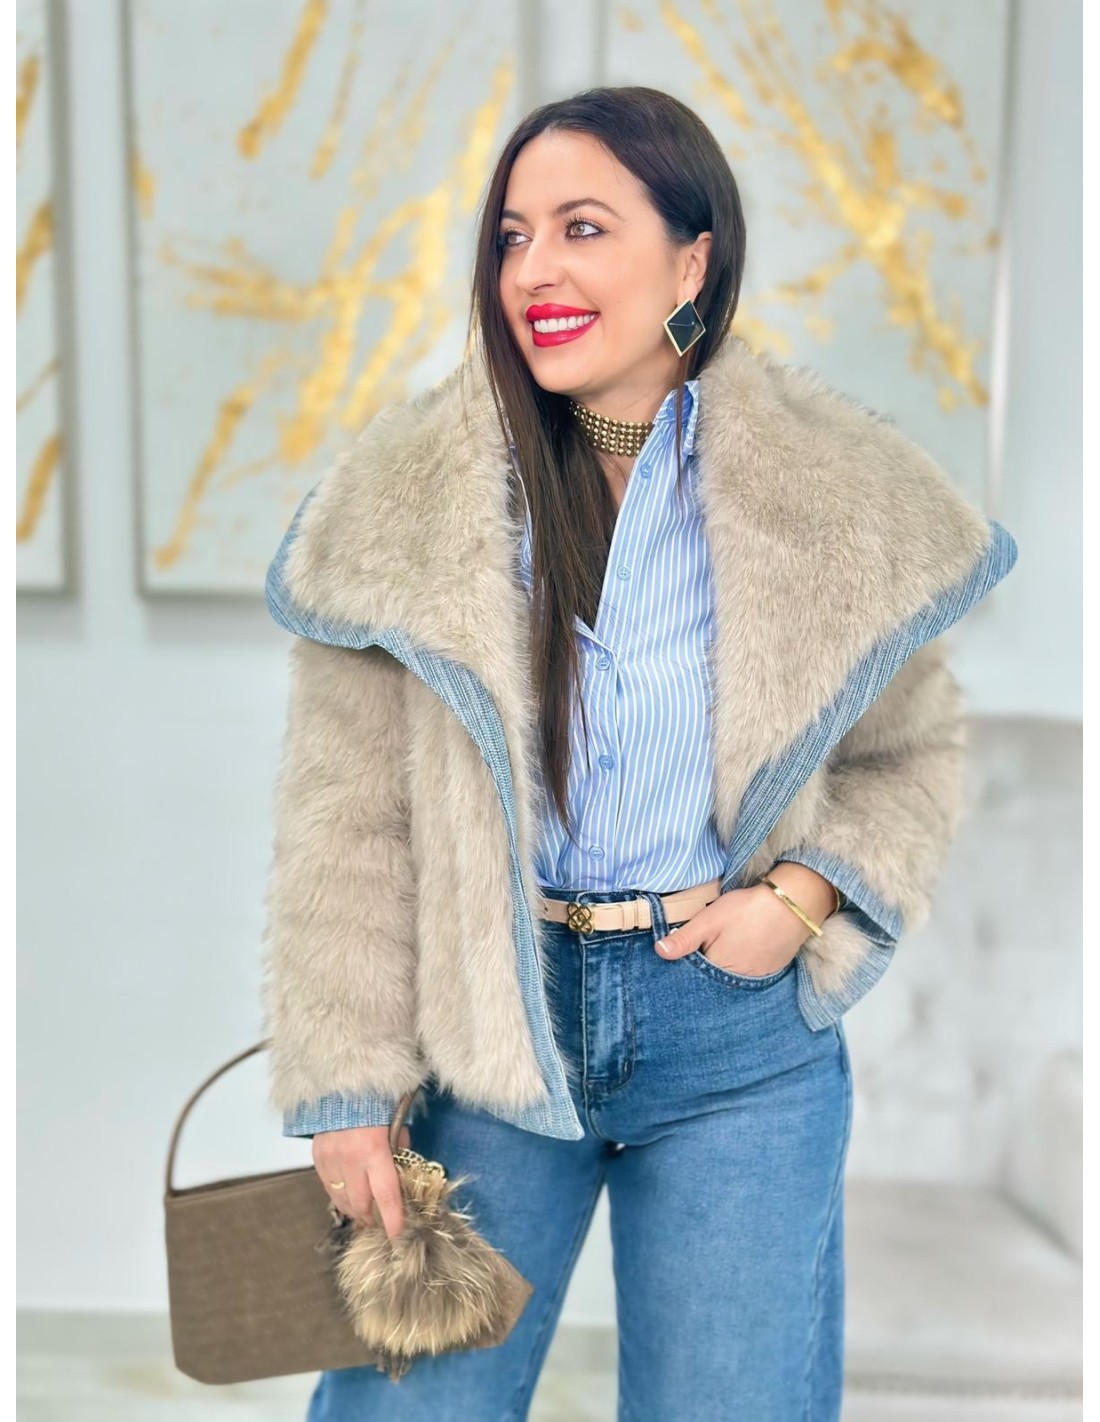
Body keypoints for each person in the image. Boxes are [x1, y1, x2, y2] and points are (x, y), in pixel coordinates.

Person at [259, 86, 1018, 1421]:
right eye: (512, 236)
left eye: (583, 228)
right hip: (491, 1035)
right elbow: (347, 825)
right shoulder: (402, 507)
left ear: (690, 260)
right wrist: (345, 1088)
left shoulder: (835, 499)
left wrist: (799, 900)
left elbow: (913, 753)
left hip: (736, 1045)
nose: (533, 271)